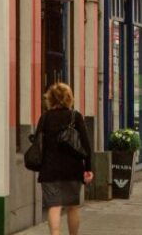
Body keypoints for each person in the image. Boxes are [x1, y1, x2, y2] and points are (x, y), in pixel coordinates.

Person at [35, 83, 93, 235]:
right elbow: (86, 145)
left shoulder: (45, 117)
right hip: (72, 169)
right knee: (72, 206)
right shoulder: (75, 116)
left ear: (50, 99)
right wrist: (88, 168)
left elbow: (37, 143)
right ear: (69, 98)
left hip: (49, 169)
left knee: (54, 206)